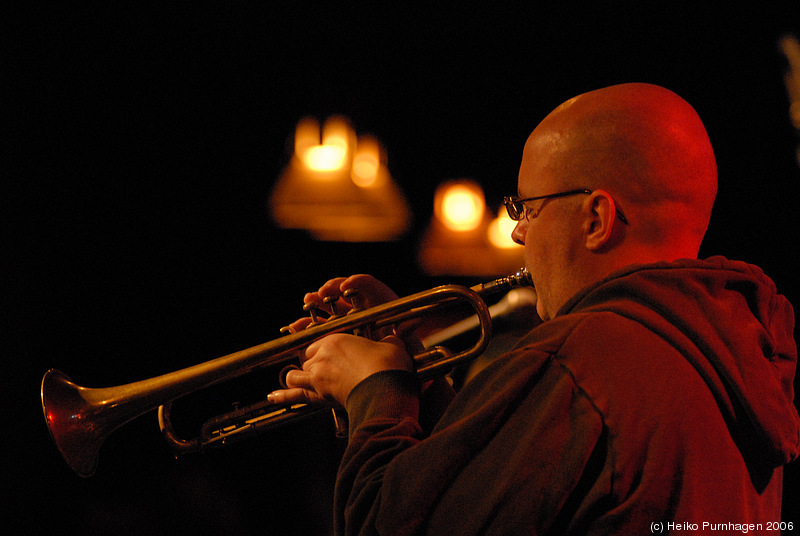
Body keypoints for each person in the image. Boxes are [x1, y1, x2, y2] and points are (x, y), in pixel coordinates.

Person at [267, 83, 800, 535]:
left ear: (596, 218)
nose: (518, 231)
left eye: (527, 207)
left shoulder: (582, 359)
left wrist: (375, 394)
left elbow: (390, 525)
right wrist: (415, 372)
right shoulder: (729, 353)